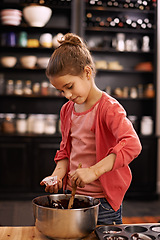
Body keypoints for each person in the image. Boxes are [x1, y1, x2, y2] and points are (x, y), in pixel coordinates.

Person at [40, 32, 142, 225]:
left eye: (69, 86)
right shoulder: (67, 110)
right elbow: (65, 152)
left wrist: (93, 172)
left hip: (102, 203)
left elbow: (132, 145)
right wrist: (56, 176)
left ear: (87, 73)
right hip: (72, 195)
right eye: (61, 90)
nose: (67, 95)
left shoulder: (109, 108)